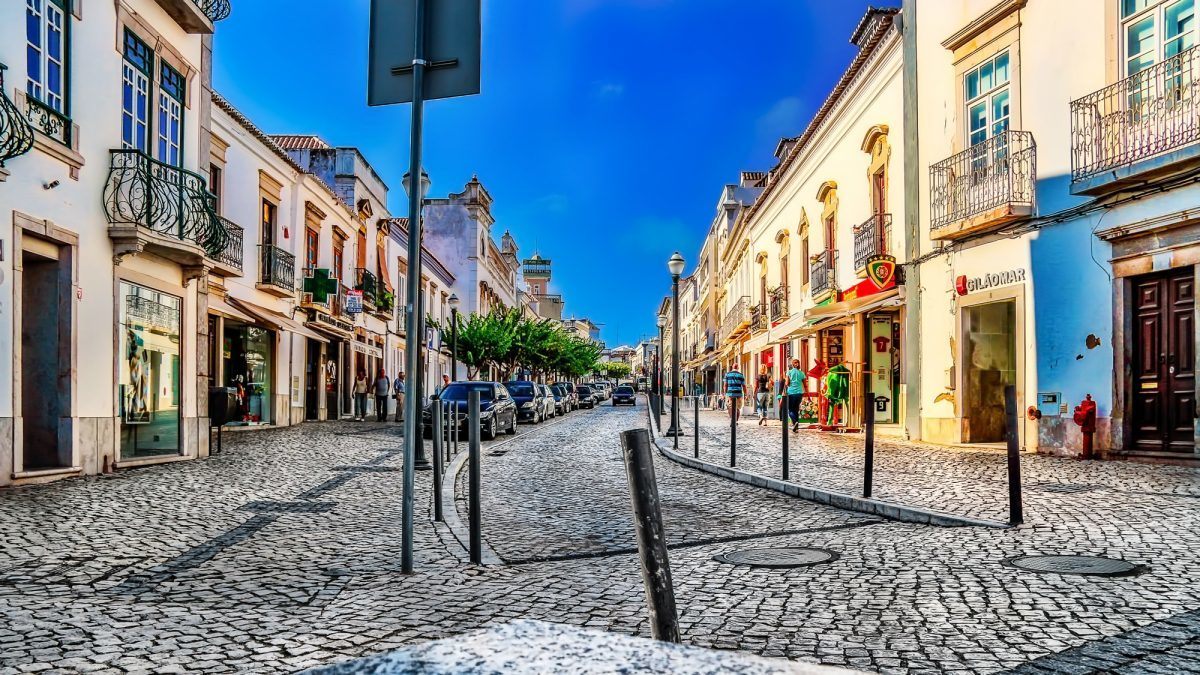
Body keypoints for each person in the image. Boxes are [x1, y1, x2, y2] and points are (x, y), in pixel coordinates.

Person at [786, 358, 806, 432]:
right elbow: (805, 384)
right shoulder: (802, 373)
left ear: (792, 364)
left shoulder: (789, 372)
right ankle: (796, 427)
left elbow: (787, 383)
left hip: (791, 393)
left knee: (790, 410)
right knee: (796, 409)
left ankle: (795, 422)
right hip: (799, 393)